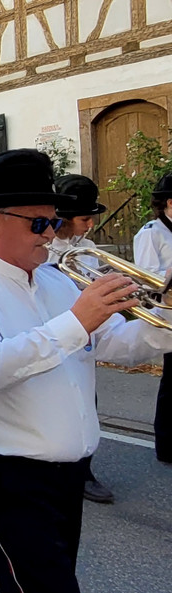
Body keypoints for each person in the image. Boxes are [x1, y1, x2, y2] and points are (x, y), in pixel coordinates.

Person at [0, 149, 172, 593]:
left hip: (65, 469)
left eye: (53, 222)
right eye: (39, 224)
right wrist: (76, 321)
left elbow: (121, 346)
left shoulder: (58, 281)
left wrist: (165, 313)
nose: (51, 234)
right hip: (8, 471)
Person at [48, 174, 115, 504]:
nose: (90, 225)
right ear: (64, 218)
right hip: (51, 336)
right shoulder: (43, 251)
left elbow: (96, 286)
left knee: (87, 402)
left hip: (84, 340)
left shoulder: (87, 250)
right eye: (85, 218)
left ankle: (83, 470)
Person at [133, 170, 172, 464]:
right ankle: (167, 445)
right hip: (166, 317)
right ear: (169, 203)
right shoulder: (151, 232)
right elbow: (145, 277)